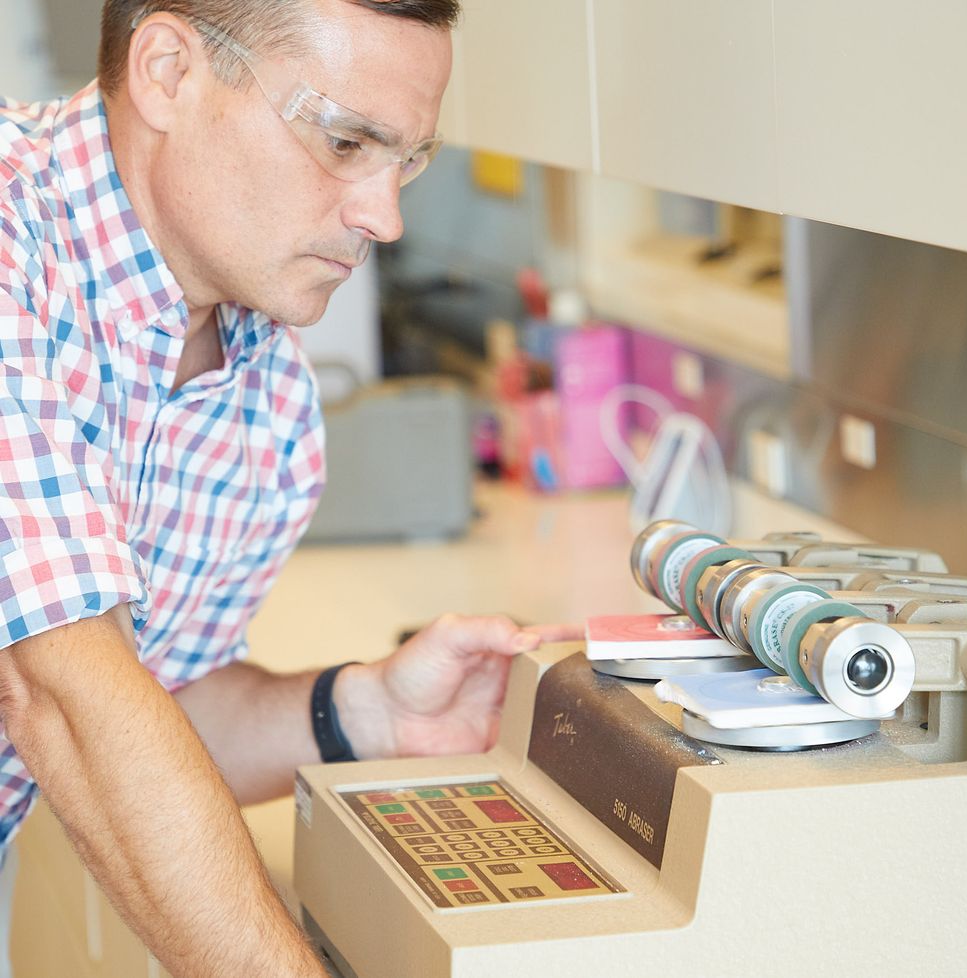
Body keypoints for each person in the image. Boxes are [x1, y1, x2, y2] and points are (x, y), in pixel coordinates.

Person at [0, 1, 577, 975]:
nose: (382, 216)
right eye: (345, 139)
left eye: (404, 160)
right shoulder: (14, 242)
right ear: (169, 71)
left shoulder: (266, 398)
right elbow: (59, 699)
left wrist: (365, 713)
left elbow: (151, 714)